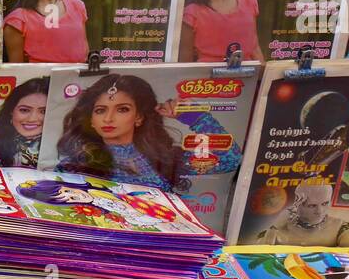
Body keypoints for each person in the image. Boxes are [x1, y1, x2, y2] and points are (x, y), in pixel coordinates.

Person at [53, 74, 242, 193]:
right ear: (91, 120)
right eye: (100, 110)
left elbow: (229, 159)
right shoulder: (75, 165)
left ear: (139, 117)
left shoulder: (165, 159)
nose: (108, 118)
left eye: (122, 109)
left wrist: (194, 117)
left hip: (158, 249)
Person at [258, 183, 349, 246]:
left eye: (325, 204)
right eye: (312, 206)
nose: (320, 211)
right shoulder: (279, 229)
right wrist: (274, 228)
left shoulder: (342, 228)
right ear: (298, 205)